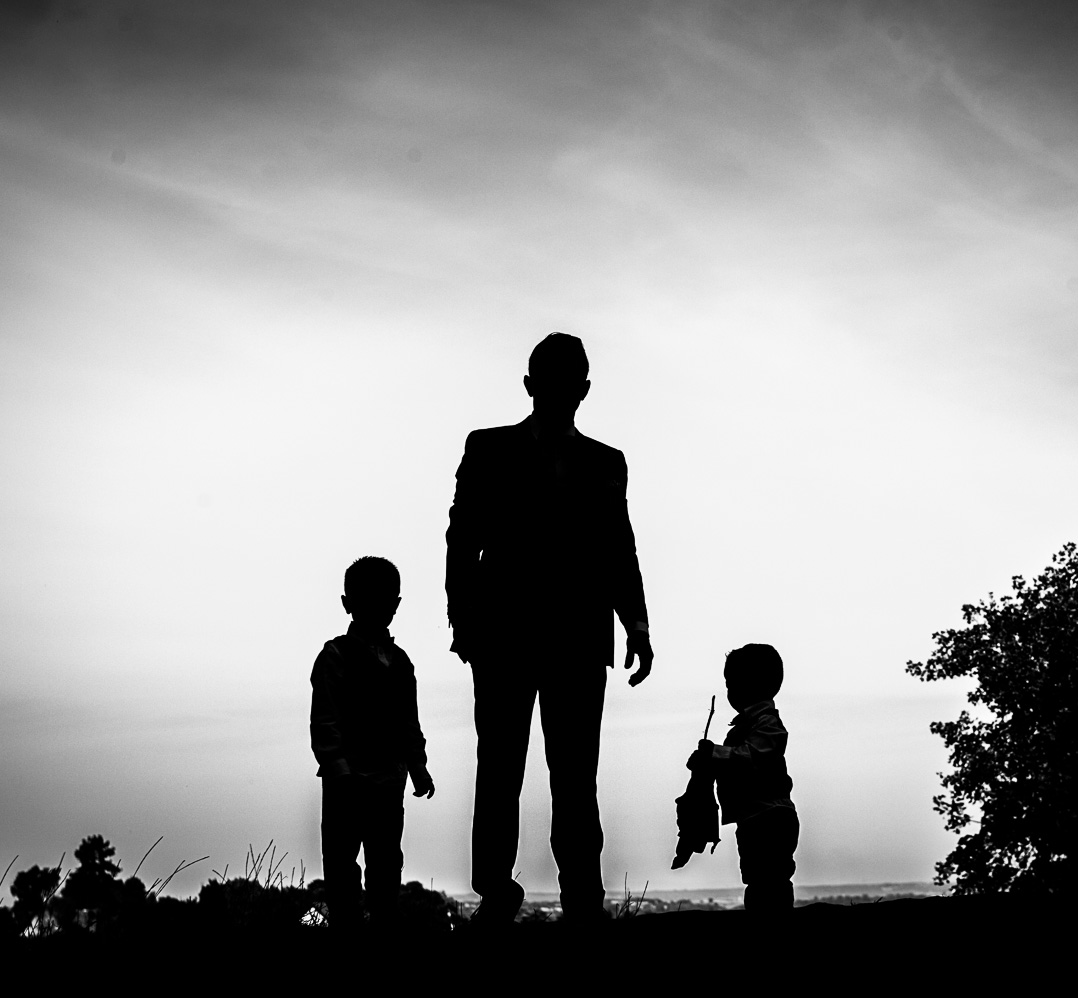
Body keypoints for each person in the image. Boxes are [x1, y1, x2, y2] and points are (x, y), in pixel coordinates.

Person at [446, 332, 653, 923]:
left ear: (582, 390)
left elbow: (620, 548)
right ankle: (496, 890)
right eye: (553, 380)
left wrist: (635, 623)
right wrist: (464, 618)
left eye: (570, 382)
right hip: (505, 636)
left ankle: (582, 897)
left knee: (574, 774)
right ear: (532, 385)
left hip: (578, 638)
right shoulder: (487, 449)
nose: (562, 392)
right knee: (501, 769)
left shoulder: (606, 462)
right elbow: (463, 538)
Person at [310, 556, 435, 932]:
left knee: (385, 861)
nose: (382, 609)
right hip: (346, 782)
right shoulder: (335, 656)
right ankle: (347, 926)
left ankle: (383, 924)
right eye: (371, 601)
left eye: (388, 601)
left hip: (387, 781)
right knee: (341, 862)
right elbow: (325, 719)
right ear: (349, 604)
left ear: (396, 605)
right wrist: (338, 768)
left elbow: (408, 722)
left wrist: (417, 766)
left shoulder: (400, 663)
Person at [687, 643, 798, 913]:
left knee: (769, 880)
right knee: (757, 879)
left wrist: (714, 754)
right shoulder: (746, 726)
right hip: (753, 817)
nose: (729, 691)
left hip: (770, 817)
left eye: (733, 682)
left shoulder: (768, 724)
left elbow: (752, 757)